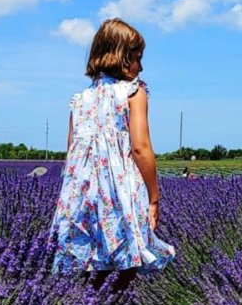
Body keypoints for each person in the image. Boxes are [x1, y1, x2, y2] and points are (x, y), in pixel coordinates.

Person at [50, 18, 175, 290]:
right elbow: (141, 148)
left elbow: (72, 155)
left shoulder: (79, 100)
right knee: (124, 268)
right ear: (120, 57)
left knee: (86, 271)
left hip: (81, 197)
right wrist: (154, 199)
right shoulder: (133, 92)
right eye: (136, 58)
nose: (140, 67)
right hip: (120, 195)